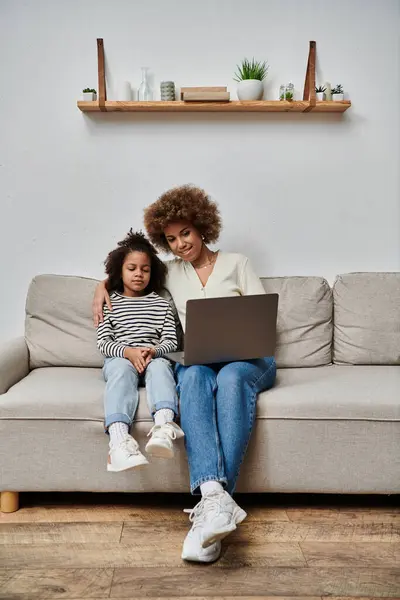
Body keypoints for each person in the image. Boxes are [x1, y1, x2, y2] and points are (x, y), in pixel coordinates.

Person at [93, 185, 276, 563]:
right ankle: (213, 498)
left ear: (202, 227)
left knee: (230, 379)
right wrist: (102, 285)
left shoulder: (238, 263)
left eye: (186, 234)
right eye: (171, 239)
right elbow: (130, 269)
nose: (179, 244)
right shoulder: (170, 274)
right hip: (201, 360)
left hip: (248, 361)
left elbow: (263, 319)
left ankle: (214, 506)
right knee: (190, 378)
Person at [97, 229, 184, 473]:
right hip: (122, 359)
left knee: (162, 367)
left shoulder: (161, 303)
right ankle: (118, 441)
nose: (139, 274)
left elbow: (171, 342)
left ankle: (164, 428)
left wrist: (153, 351)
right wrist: (128, 352)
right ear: (119, 270)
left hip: (153, 357)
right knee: (121, 370)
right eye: (132, 268)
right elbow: (104, 343)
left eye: (145, 270)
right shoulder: (110, 303)